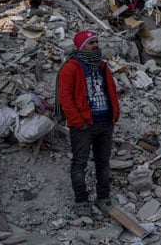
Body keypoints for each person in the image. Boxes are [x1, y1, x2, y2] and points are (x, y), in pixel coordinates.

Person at [56, 31, 120, 217]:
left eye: (97, 42)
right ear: (82, 46)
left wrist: (114, 115)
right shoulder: (71, 68)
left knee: (103, 163)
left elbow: (112, 91)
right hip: (84, 125)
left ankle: (103, 198)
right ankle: (82, 201)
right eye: (91, 42)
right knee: (79, 163)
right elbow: (65, 97)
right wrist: (78, 121)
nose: (95, 45)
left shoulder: (102, 66)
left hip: (105, 122)